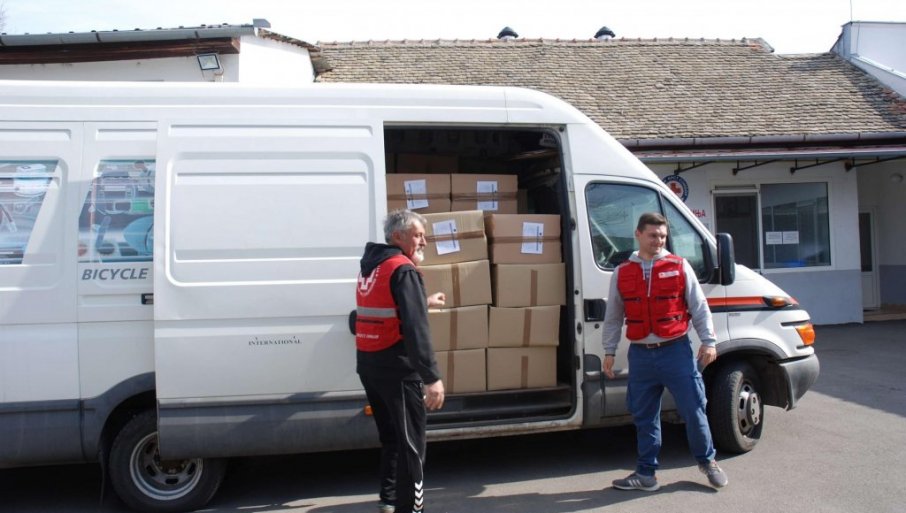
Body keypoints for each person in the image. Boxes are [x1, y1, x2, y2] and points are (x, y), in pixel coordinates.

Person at [602, 212, 728, 491]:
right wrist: (609, 351)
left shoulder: (680, 266)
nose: (658, 240)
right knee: (644, 416)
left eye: (662, 236)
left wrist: (709, 341)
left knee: (694, 409)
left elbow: (699, 307)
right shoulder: (622, 272)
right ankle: (646, 474)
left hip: (676, 352)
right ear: (638, 234)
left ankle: (708, 462)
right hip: (641, 355)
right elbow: (613, 316)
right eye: (652, 235)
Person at [355, 209, 446, 513]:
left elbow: (373, 312)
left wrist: (422, 300)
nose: (424, 242)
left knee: (393, 438)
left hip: (370, 365)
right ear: (398, 236)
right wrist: (431, 377)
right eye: (418, 235)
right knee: (413, 447)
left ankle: (389, 500)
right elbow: (416, 329)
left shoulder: (372, 267)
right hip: (398, 369)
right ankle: (412, 509)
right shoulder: (404, 270)